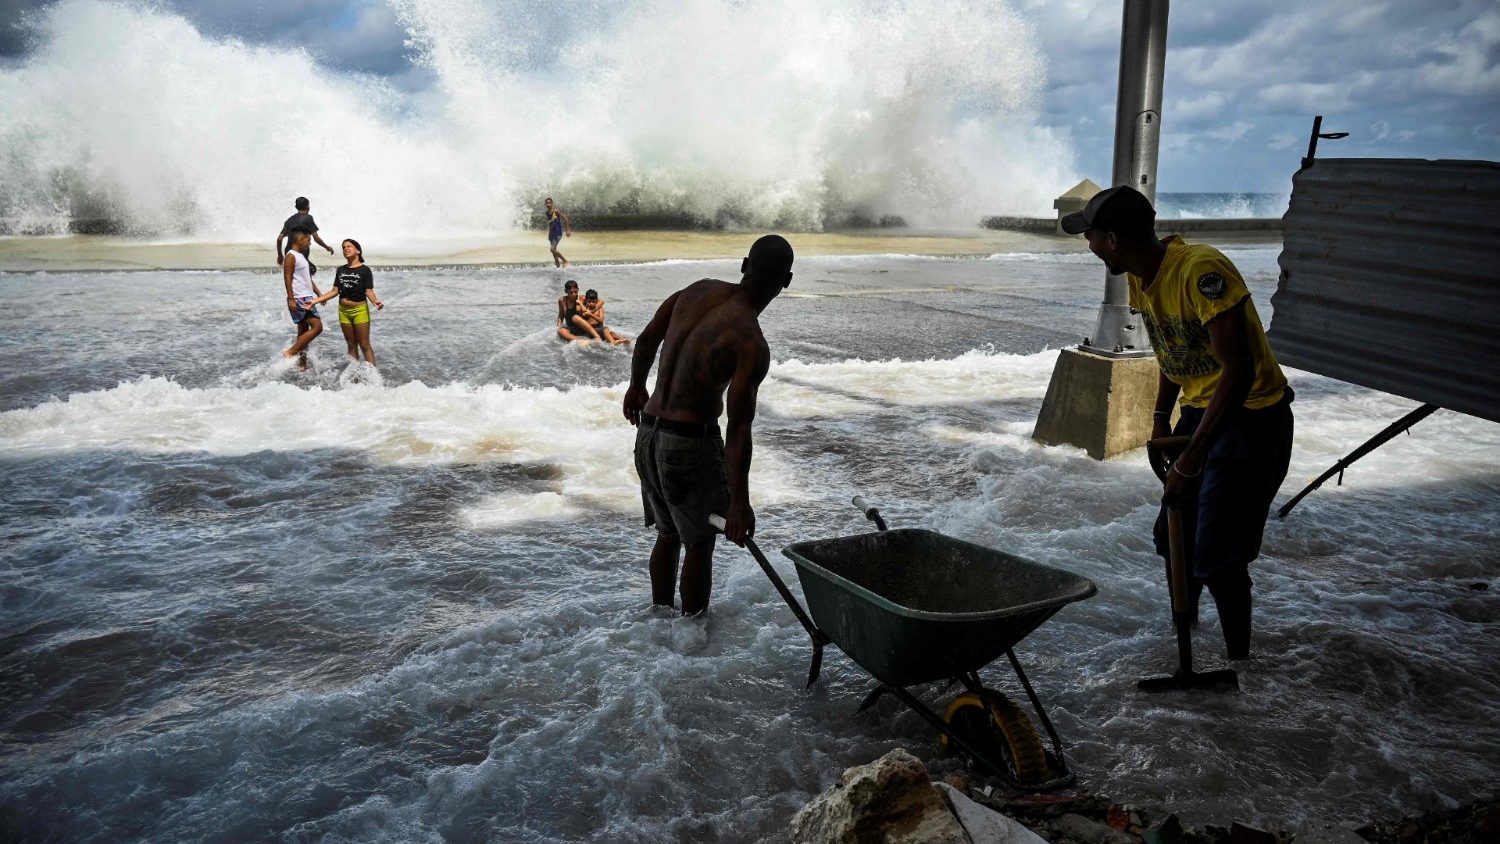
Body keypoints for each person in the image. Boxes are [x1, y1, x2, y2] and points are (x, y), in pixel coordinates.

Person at [1062, 186, 1293, 659]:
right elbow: (1173, 350)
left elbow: (1240, 368)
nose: (1087, 246)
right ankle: (1184, 647)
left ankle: (1238, 667)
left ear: (1111, 239)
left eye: (1089, 236)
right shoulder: (1140, 276)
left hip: (1251, 418)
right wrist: (1158, 419)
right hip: (1199, 414)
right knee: (1173, 539)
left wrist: (1192, 454)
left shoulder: (1200, 270)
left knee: (1219, 557)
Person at [623, 235, 794, 616]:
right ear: (786, 281)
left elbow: (648, 339)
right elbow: (738, 430)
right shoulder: (750, 341)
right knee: (699, 544)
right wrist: (739, 504)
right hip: (686, 446)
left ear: (744, 264)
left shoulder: (696, 290)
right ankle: (691, 637)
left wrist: (637, 386)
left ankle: (659, 622)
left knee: (668, 535)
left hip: (647, 433)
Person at [328, 238, 385, 365]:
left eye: (349, 246)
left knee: (364, 344)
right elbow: (334, 291)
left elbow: (368, 290)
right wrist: (315, 301)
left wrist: (374, 301)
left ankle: (374, 379)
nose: (346, 249)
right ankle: (354, 378)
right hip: (343, 311)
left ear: (358, 250)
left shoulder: (365, 270)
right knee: (351, 345)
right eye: (343, 247)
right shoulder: (341, 270)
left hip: (359, 310)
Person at [281, 230, 326, 366]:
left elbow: (307, 279)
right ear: (300, 239)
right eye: (308, 240)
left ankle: (302, 363)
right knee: (317, 327)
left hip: (306, 296)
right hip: (299, 298)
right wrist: (291, 298)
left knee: (303, 332)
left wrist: (319, 294)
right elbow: (287, 277)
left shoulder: (300, 256)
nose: (310, 242)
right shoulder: (291, 256)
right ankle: (291, 352)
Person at [275, 196, 335, 266]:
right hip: (301, 253)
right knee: (307, 272)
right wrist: (327, 247)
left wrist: (280, 255)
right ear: (308, 207)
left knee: (294, 274)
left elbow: (279, 239)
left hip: (289, 253)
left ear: (296, 207)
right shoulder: (308, 218)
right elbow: (316, 238)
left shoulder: (289, 220)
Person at [543, 197, 573, 268]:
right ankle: (558, 267)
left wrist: (568, 230)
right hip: (551, 234)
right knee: (554, 253)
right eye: (547, 203)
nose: (548, 204)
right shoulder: (547, 213)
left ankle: (565, 261)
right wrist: (549, 234)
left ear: (552, 204)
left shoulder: (555, 211)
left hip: (558, 233)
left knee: (552, 249)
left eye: (549, 203)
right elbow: (551, 224)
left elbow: (565, 218)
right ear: (545, 204)